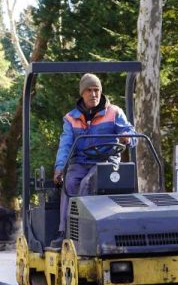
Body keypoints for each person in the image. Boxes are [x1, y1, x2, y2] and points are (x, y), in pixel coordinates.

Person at [51, 73, 137, 248]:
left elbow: (130, 133)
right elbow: (65, 144)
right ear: (82, 93)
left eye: (96, 90)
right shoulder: (71, 118)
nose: (93, 94)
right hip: (81, 162)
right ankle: (65, 232)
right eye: (89, 90)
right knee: (70, 183)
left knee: (88, 183)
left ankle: (86, 233)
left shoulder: (114, 113)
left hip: (107, 162)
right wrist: (59, 168)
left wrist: (127, 138)